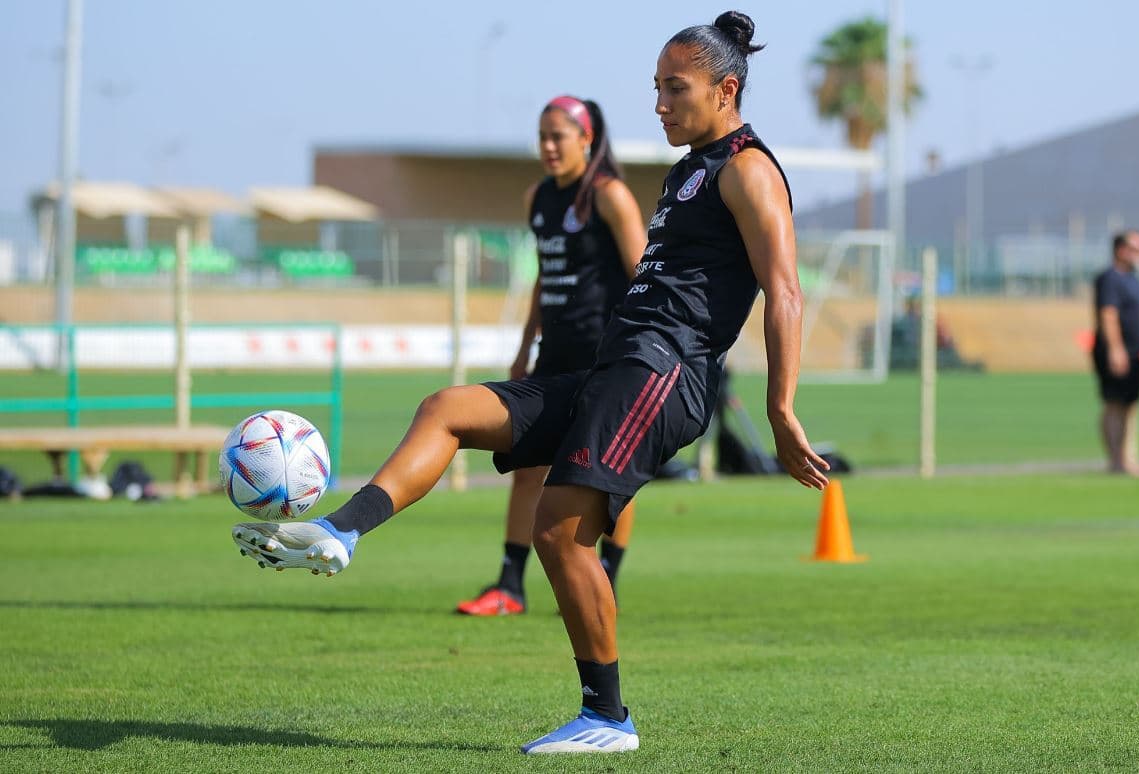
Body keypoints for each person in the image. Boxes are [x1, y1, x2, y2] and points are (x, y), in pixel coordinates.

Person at [231, 10, 830, 754]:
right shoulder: (688, 170)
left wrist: (780, 407)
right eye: (655, 87)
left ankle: (607, 719)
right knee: (447, 409)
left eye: (674, 89)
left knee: (556, 527)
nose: (658, 104)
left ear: (726, 89)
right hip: (612, 366)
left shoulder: (749, 168)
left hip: (663, 374)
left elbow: (786, 289)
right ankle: (337, 531)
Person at [456, 95, 645, 617]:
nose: (548, 147)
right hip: (554, 358)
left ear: (587, 139)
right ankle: (510, 586)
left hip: (608, 361)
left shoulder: (610, 196)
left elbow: (641, 276)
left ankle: (605, 579)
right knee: (526, 469)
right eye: (542, 136)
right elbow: (546, 277)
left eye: (558, 136)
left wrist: (645, 350)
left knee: (611, 475)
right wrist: (523, 348)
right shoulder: (538, 198)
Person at [1092, 230, 1139, 475]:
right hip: (1118, 352)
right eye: (1136, 249)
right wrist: (1115, 348)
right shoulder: (1110, 279)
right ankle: (1116, 460)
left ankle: (1128, 458)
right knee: (1115, 404)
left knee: (1131, 406)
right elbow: (1108, 315)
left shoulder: (1133, 279)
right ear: (1121, 250)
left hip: (1135, 352)